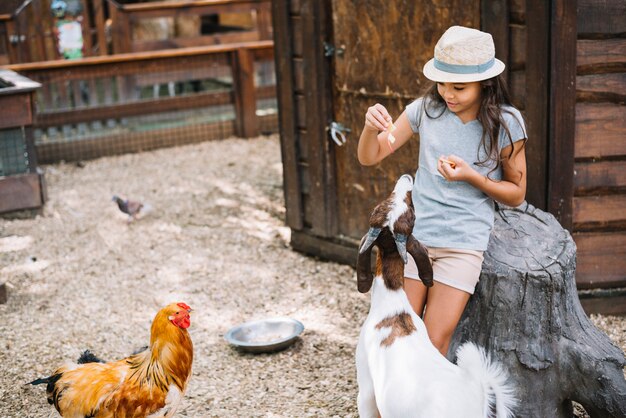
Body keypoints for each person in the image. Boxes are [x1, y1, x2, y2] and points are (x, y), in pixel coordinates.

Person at [357, 26, 528, 356]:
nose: (448, 93)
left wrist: (471, 177)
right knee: (396, 337)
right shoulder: (425, 110)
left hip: (462, 246)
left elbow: (516, 193)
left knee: (434, 343)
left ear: (485, 83)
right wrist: (369, 128)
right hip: (414, 240)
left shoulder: (507, 122)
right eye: (442, 83)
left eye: (460, 87)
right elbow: (371, 155)